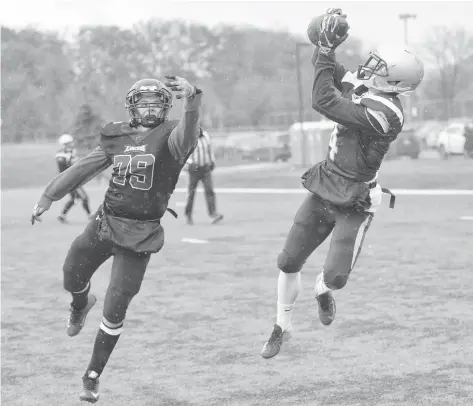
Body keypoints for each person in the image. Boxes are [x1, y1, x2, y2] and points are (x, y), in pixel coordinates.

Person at [261, 8, 424, 359]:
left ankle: (322, 290)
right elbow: (334, 73)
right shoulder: (369, 88)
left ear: (395, 82)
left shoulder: (386, 113)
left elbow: (323, 98)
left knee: (335, 278)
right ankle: (281, 326)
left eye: (380, 68)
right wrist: (324, 43)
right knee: (288, 261)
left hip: (356, 200)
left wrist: (322, 54)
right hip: (326, 185)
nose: (371, 68)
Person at [31, 76, 202, 402]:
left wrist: (193, 99)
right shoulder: (117, 135)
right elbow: (84, 167)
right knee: (71, 273)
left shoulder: (172, 137)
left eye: (156, 103)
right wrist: (49, 195)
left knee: (116, 305)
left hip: (140, 233)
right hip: (105, 222)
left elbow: (190, 129)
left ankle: (92, 375)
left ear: (166, 107)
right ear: (132, 106)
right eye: (143, 102)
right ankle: (80, 305)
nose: (150, 108)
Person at [184, 127, 224, 225]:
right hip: (194, 170)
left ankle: (213, 214)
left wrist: (212, 161)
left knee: (209, 190)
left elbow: (210, 150)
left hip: (205, 169)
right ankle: (188, 215)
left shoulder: (206, 136)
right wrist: (190, 163)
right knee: (191, 193)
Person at [55, 133, 92, 222]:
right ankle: (90, 215)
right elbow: (65, 165)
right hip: (69, 180)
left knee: (74, 199)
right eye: (68, 143)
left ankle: (62, 216)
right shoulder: (61, 154)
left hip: (71, 180)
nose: (71, 145)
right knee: (84, 197)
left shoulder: (69, 152)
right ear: (64, 144)